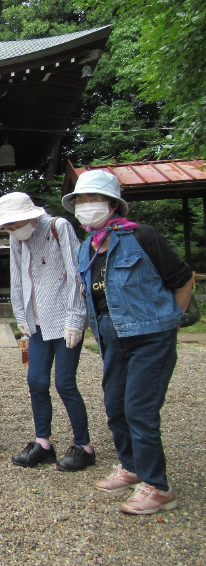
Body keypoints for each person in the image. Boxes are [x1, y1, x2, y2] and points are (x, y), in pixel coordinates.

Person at [63, 170, 193, 515]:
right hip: (110, 334)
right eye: (80, 200)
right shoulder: (85, 247)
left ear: (113, 204)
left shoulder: (142, 237)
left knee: (140, 408)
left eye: (94, 199)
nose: (86, 206)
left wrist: (172, 322)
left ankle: (159, 487)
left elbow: (183, 278)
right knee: (115, 404)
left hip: (150, 336)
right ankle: (131, 466)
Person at [0, 192, 94, 472]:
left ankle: (84, 446)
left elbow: (76, 273)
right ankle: (43, 443)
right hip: (36, 322)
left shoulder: (57, 227)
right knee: (36, 381)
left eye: (16, 224)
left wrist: (77, 317)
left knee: (65, 383)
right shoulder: (16, 239)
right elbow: (16, 277)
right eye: (9, 227)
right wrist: (20, 315)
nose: (14, 230)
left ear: (30, 214)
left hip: (64, 319)